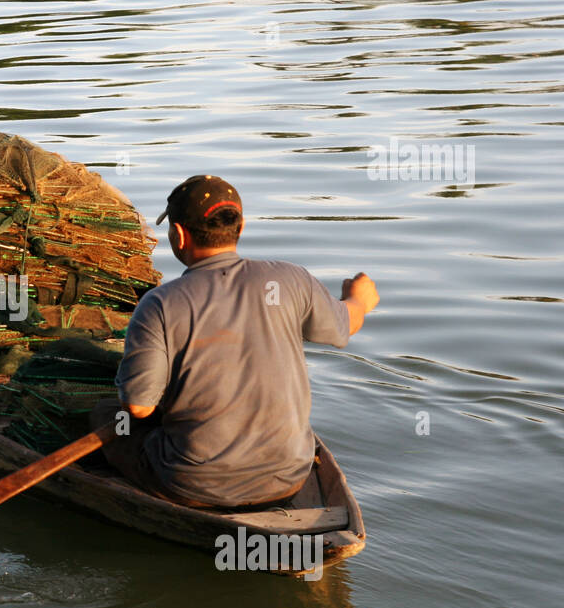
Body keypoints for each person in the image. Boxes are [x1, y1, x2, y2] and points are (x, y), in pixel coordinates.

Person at [91, 175, 379, 509]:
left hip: (193, 485)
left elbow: (139, 407)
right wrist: (358, 299)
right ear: (240, 229)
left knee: (105, 415)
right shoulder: (291, 279)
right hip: (288, 477)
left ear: (179, 235)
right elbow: (346, 325)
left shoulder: (159, 304)